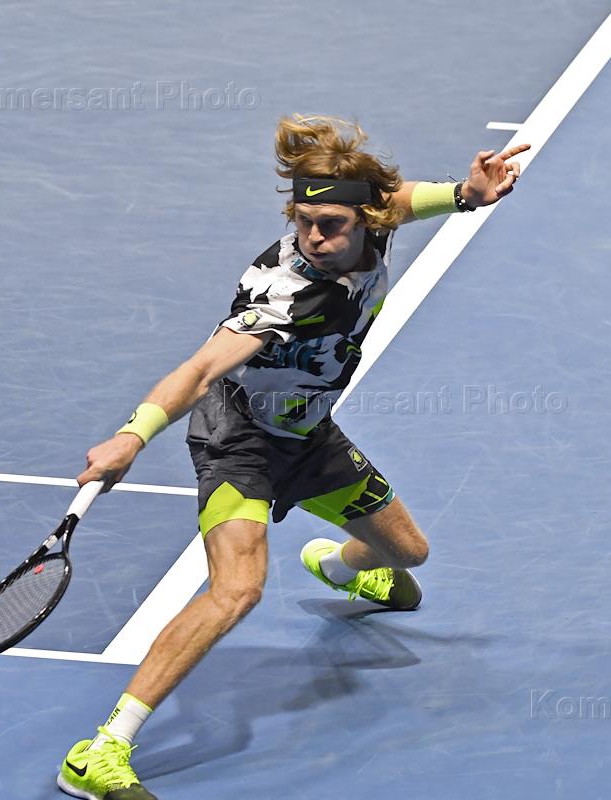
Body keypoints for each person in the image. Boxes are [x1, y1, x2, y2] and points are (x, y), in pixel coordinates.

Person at [56, 114, 528, 800]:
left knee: (409, 554)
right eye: (304, 222)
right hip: (238, 439)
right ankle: (101, 750)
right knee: (237, 590)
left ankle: (336, 567)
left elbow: (401, 200)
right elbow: (201, 368)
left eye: (330, 224)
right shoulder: (283, 293)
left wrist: (467, 195)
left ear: (365, 220)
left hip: (308, 434)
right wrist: (134, 435)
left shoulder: (374, 222)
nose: (313, 237)